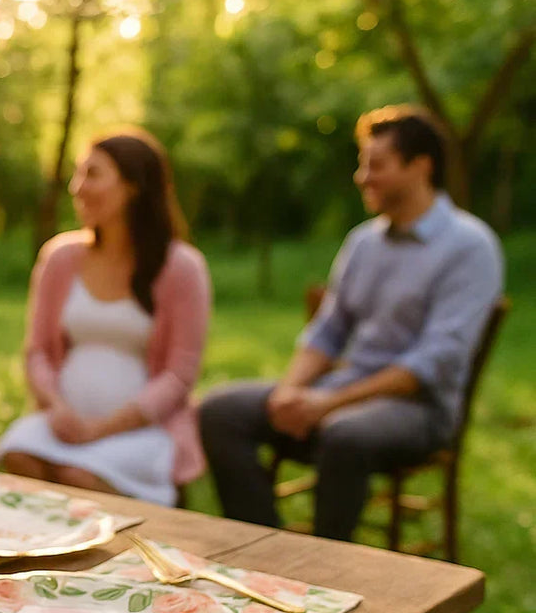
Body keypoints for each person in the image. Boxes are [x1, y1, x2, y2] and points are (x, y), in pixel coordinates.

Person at [199, 105, 504, 541]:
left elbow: (435, 360)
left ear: (420, 167)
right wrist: (291, 391)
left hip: (420, 411)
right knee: (219, 411)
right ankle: (266, 550)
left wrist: (329, 405)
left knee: (344, 434)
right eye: (362, 164)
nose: (362, 177)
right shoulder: (363, 243)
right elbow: (329, 331)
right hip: (340, 395)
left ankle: (325, 573)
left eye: (376, 165)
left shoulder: (470, 247)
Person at [0, 128, 211, 506]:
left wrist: (103, 428)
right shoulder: (60, 257)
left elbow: (180, 374)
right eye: (78, 173)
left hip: (143, 431)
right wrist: (57, 409)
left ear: (133, 187)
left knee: (77, 478)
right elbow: (38, 352)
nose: (77, 187)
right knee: (19, 456)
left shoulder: (182, 267)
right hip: (62, 425)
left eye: (92, 174)